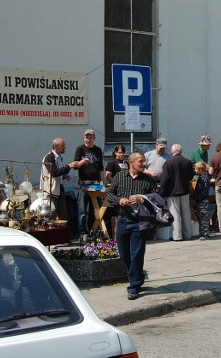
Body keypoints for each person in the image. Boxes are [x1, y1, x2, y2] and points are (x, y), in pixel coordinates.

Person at [106, 151, 158, 300]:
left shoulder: (148, 180)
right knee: (124, 254)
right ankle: (138, 276)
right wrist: (119, 200)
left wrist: (142, 199)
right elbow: (109, 194)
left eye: (144, 161)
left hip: (139, 222)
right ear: (131, 162)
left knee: (137, 254)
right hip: (122, 220)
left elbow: (156, 198)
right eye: (141, 161)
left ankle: (134, 286)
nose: (144, 164)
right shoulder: (120, 177)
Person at [40, 137, 86, 225]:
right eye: (62, 146)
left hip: (59, 190)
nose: (65, 147)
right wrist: (70, 166)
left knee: (63, 216)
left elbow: (59, 171)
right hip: (51, 192)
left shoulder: (59, 157)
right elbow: (54, 173)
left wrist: (64, 176)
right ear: (56, 147)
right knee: (52, 217)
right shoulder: (49, 158)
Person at [160, 144, 195, 241]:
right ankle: (188, 234)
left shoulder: (168, 162)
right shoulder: (187, 161)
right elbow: (191, 176)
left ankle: (177, 236)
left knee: (175, 214)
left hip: (172, 191)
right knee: (186, 213)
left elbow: (164, 179)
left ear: (172, 152)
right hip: (185, 190)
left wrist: (163, 193)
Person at [74, 128, 104, 237]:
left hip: (95, 183)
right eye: (87, 137)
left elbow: (101, 167)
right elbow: (75, 165)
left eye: (91, 137)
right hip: (84, 182)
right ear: (84, 138)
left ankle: (93, 230)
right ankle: (83, 232)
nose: (89, 139)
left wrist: (102, 181)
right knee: (82, 209)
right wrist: (81, 162)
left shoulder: (98, 150)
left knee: (94, 208)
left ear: (94, 138)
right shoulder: (80, 149)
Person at [193, 162, 212, 240]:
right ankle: (202, 232)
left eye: (196, 168)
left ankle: (205, 233)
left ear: (200, 169)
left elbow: (202, 190)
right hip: (201, 199)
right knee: (201, 217)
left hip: (202, 200)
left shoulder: (203, 178)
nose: (195, 170)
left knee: (203, 217)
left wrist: (197, 198)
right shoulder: (203, 177)